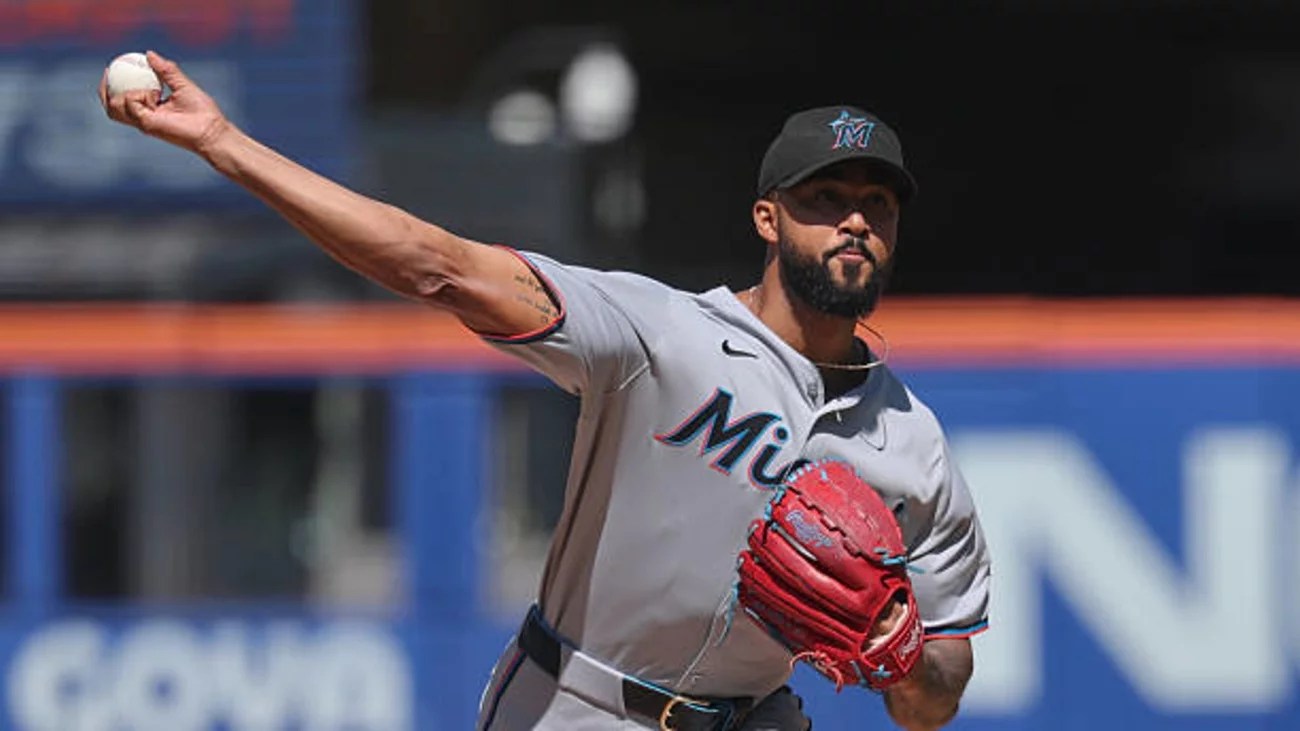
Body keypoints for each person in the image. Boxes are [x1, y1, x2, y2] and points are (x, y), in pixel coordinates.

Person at [101, 52, 991, 731]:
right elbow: (436, 267)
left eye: (877, 204)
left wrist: (901, 655)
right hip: (577, 704)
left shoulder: (911, 443)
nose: (855, 221)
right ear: (768, 217)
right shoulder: (660, 334)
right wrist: (223, 144)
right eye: (827, 196)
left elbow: (934, 700)